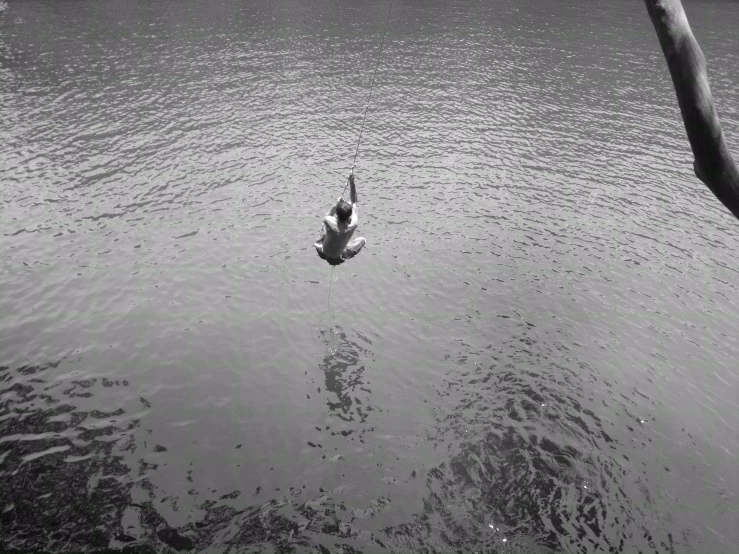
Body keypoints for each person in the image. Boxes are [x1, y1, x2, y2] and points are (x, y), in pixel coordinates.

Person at [314, 171, 366, 265]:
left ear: (337, 214)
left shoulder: (329, 221)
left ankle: (323, 242)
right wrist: (352, 182)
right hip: (337, 258)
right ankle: (340, 254)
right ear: (349, 215)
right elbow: (354, 202)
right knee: (362, 240)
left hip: (322, 253)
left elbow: (328, 215)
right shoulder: (353, 224)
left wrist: (336, 204)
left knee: (324, 226)